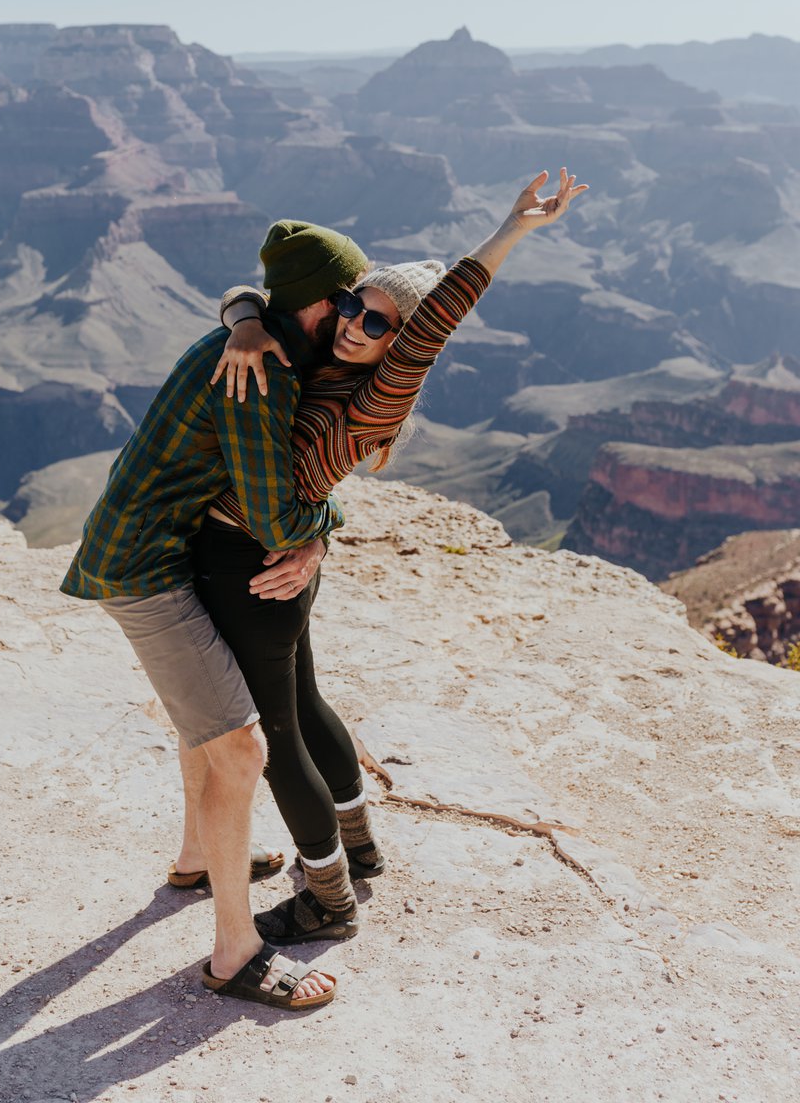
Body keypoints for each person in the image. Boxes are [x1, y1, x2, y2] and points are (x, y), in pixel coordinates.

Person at [196, 168, 588, 945]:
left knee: (275, 738)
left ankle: (328, 898)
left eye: (377, 321)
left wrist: (511, 228)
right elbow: (257, 292)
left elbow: (438, 317)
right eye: (351, 304)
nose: (353, 323)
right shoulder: (329, 358)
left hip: (255, 569)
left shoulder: (379, 393)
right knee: (306, 703)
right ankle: (361, 849)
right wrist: (244, 319)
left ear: (398, 340)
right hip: (285, 562)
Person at [60, 219, 370, 1011]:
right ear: (321, 305)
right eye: (350, 304)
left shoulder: (256, 335)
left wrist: (244, 314)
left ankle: (198, 857)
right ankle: (237, 953)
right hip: (145, 570)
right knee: (240, 748)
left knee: (208, 713)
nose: (355, 321)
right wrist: (324, 531)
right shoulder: (263, 371)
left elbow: (244, 297)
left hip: (158, 550)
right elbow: (273, 517)